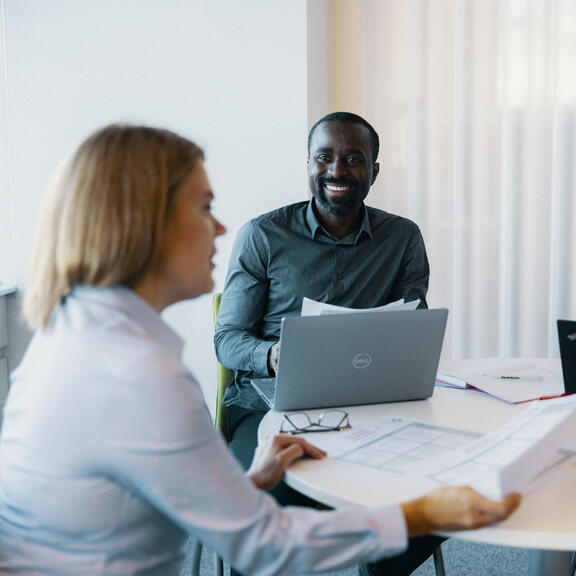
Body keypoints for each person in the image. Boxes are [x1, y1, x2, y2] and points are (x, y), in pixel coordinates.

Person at [0, 124, 520, 575]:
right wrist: (420, 515)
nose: (221, 228)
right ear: (143, 223)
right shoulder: (139, 376)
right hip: (268, 407)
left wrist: (246, 483)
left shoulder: (78, 337)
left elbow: (169, 502)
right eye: (204, 207)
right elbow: (261, 543)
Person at [214, 112, 437, 574]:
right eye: (324, 157)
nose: (337, 170)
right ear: (309, 165)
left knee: (431, 488)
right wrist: (273, 355)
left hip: (368, 406)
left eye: (353, 159)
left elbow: (413, 331)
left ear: (374, 171)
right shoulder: (263, 236)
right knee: (266, 508)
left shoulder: (402, 239)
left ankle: (379, 566)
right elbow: (227, 339)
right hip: (267, 408)